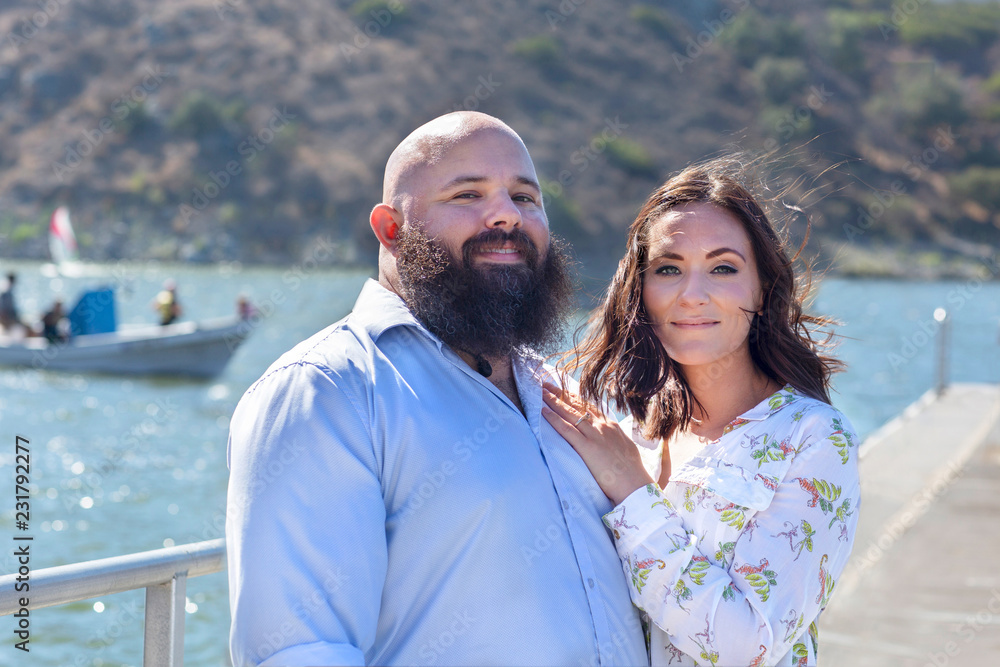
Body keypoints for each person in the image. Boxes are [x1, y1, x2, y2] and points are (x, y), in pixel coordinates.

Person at [225, 112, 648, 666]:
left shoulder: (561, 390)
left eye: (525, 197)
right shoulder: (327, 392)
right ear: (390, 228)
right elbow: (299, 650)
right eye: (467, 194)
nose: (506, 215)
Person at [542, 157, 860, 666]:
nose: (692, 295)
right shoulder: (632, 432)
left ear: (762, 288)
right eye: (669, 269)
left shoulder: (814, 438)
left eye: (723, 268)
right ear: (640, 291)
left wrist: (631, 489)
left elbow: (744, 646)